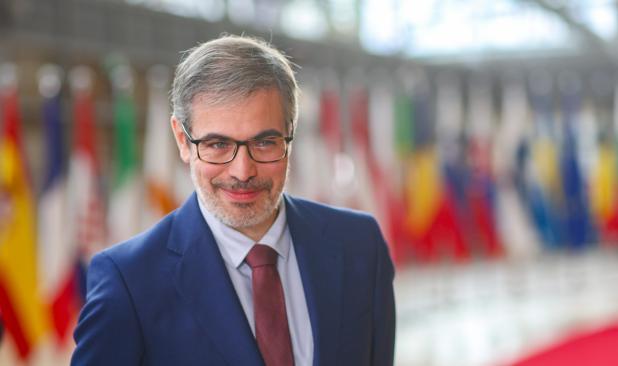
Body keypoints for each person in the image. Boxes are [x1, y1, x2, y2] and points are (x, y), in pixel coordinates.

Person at [71, 35, 396, 366]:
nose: (242, 171)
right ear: (182, 140)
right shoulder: (128, 281)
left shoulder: (359, 245)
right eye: (217, 145)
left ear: (291, 131)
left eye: (265, 142)